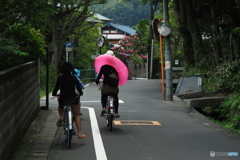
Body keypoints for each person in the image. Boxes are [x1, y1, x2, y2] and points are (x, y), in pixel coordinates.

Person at [52, 62, 86, 139]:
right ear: (71, 69)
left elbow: (56, 88)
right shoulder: (73, 77)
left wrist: (54, 94)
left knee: (60, 106)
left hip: (63, 98)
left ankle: (61, 116)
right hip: (73, 99)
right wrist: (80, 93)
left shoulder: (60, 78)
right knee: (76, 115)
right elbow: (78, 88)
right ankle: (80, 133)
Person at [95, 50, 120, 118]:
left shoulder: (104, 67)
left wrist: (97, 82)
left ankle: (104, 107)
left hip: (106, 86)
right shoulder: (116, 66)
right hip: (114, 87)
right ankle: (116, 112)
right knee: (115, 98)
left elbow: (99, 76)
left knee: (103, 96)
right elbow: (119, 76)